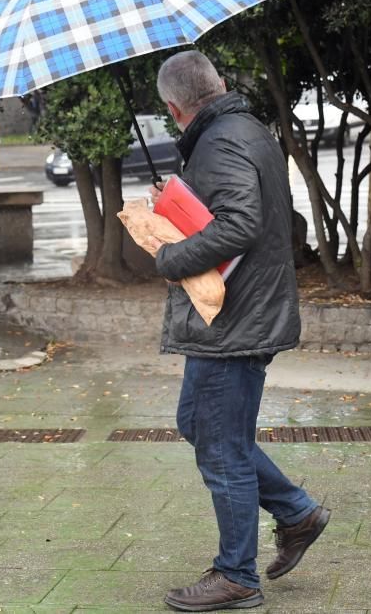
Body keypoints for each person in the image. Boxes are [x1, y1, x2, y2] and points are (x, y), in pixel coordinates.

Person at [141, 50, 330, 612]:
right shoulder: (242, 128)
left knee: (220, 444)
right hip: (243, 314)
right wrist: (175, 204)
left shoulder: (220, 141)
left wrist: (172, 255)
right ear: (218, 84)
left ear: (173, 108)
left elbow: (241, 224)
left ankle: (237, 575)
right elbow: (236, 212)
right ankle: (297, 512)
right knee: (196, 422)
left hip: (235, 320)